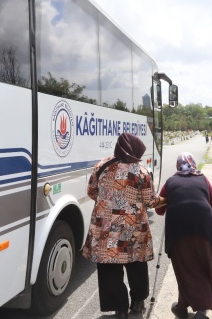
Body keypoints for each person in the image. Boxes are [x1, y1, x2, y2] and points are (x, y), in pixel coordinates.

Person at [82, 133, 156, 319]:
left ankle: (120, 310)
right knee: (137, 264)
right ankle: (137, 304)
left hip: (105, 228)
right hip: (134, 229)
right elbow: (150, 201)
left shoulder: (102, 166)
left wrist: (108, 204)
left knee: (109, 268)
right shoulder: (141, 171)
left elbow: (92, 192)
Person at [149, 152, 212, 319]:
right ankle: (183, 306)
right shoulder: (202, 179)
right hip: (203, 227)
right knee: (203, 265)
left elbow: (159, 210)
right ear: (193, 164)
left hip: (178, 230)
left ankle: (199, 310)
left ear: (178, 166)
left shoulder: (170, 181)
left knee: (184, 267)